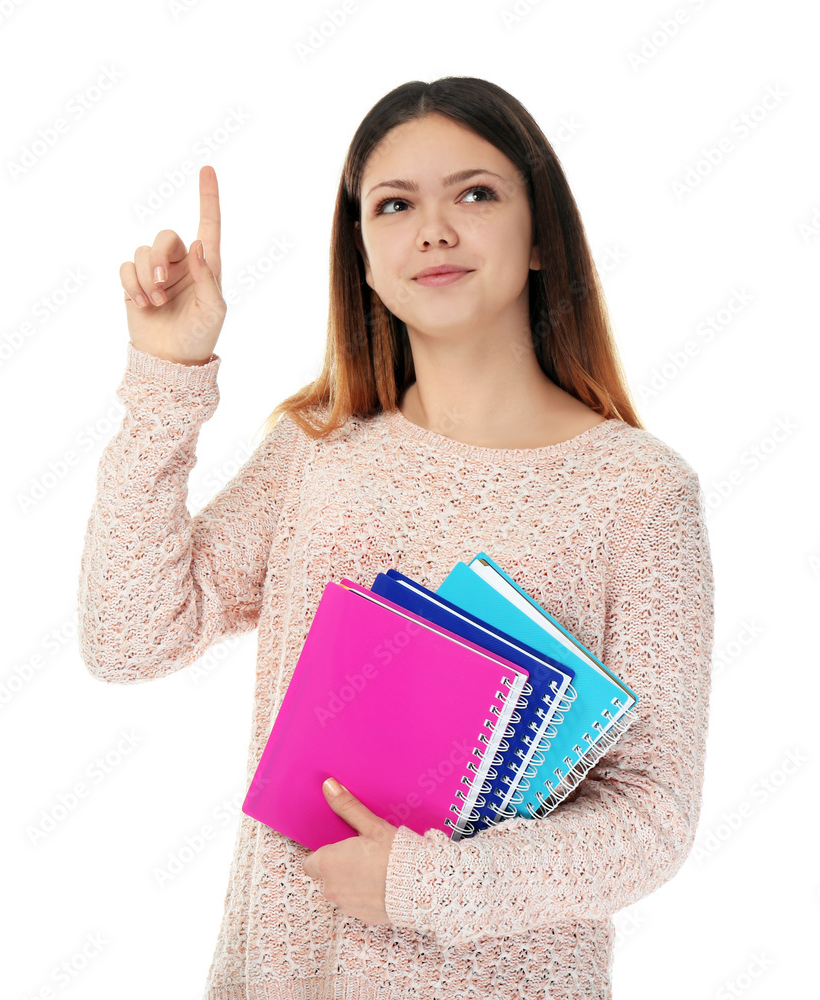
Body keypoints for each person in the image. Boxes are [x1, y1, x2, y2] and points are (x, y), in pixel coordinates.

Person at [77, 76, 716, 1000]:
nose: (434, 230)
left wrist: (424, 885)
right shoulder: (318, 454)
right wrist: (165, 379)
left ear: (541, 237)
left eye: (476, 193)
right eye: (394, 204)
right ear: (364, 257)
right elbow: (128, 637)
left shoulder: (637, 494)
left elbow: (651, 817)